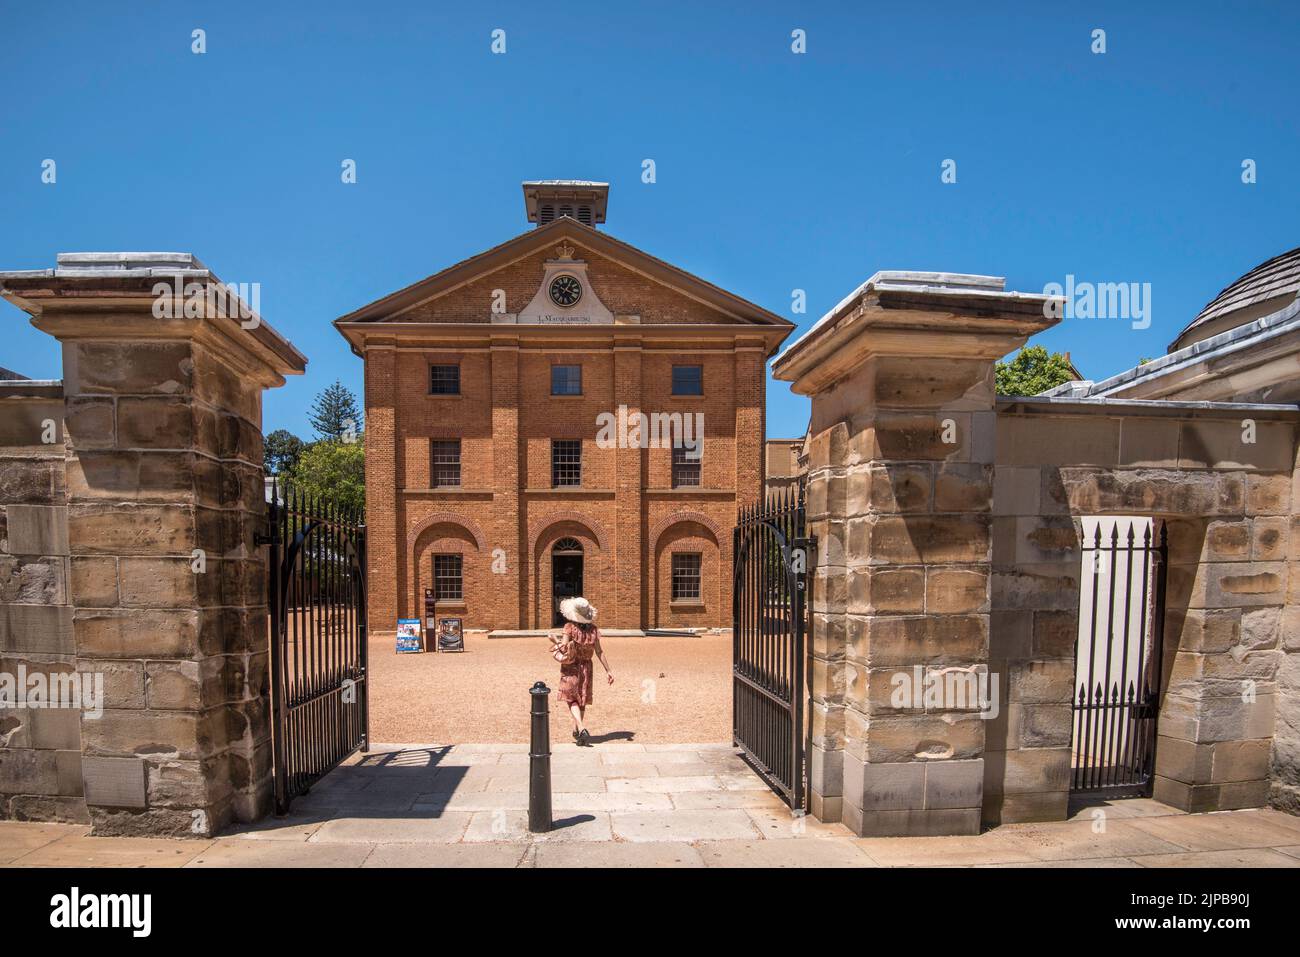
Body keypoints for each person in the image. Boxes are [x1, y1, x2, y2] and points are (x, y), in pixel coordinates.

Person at [553, 596, 613, 746]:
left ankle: (580, 727)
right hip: (587, 667)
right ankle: (578, 732)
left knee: (571, 698)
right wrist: (608, 670)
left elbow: (565, 648)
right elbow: (599, 651)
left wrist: (554, 640)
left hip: (571, 666)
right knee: (582, 700)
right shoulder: (594, 630)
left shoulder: (569, 627)